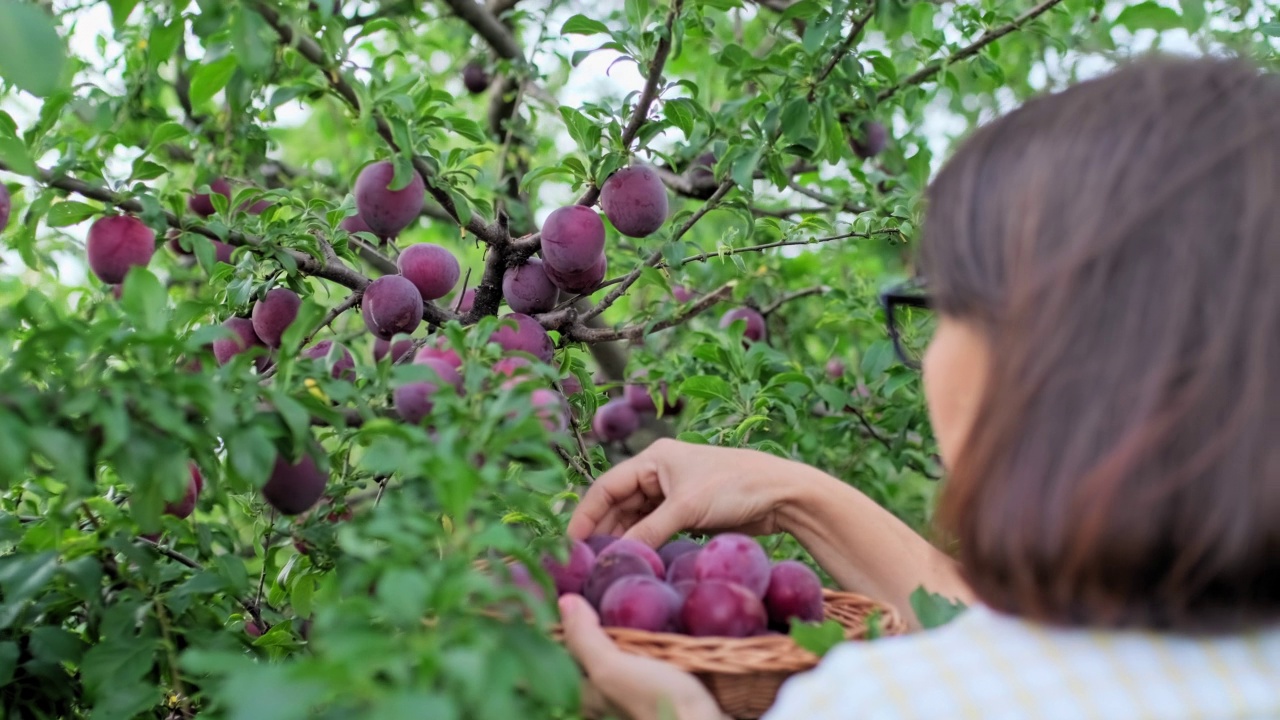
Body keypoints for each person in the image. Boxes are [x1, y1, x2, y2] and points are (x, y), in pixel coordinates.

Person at [557, 56, 1280, 719]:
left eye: (941, 304)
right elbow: (1034, 644)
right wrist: (792, 492)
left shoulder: (877, 704)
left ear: (1041, 350)